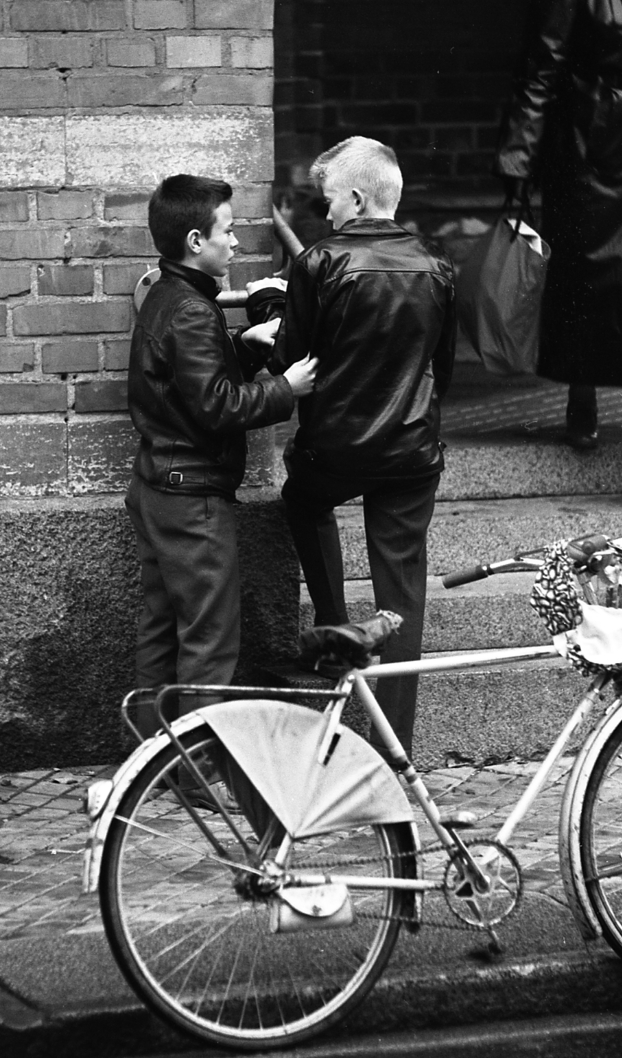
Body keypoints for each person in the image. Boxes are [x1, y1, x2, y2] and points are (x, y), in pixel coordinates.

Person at [257, 137, 455, 762]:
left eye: (330, 202)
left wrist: (270, 308)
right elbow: (439, 369)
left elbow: (293, 358)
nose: (327, 214)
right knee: (403, 593)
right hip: (412, 452)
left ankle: (336, 627)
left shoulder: (320, 261)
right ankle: (395, 754)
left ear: (358, 196)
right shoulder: (439, 266)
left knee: (304, 502)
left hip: (335, 449)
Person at [125, 174, 317, 743]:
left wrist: (241, 346)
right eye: (227, 232)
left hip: (159, 486)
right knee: (209, 641)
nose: (234, 244)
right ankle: (198, 771)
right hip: (192, 500)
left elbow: (181, 385)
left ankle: (146, 760)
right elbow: (216, 406)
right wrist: (287, 386)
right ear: (194, 241)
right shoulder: (191, 309)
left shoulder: (169, 295)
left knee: (161, 630)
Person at [495, 0, 622, 474]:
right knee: (589, 277)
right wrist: (519, 153)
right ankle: (583, 392)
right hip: (591, 150)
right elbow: (542, 68)